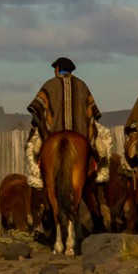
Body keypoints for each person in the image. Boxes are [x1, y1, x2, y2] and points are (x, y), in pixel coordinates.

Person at [25, 58, 112, 190]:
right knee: (105, 142)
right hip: (81, 131)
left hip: (53, 131)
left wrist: (41, 126)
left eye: (55, 68)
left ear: (58, 69)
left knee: (32, 148)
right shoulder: (82, 85)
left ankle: (36, 178)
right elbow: (92, 112)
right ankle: (101, 173)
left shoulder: (50, 85)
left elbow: (38, 108)